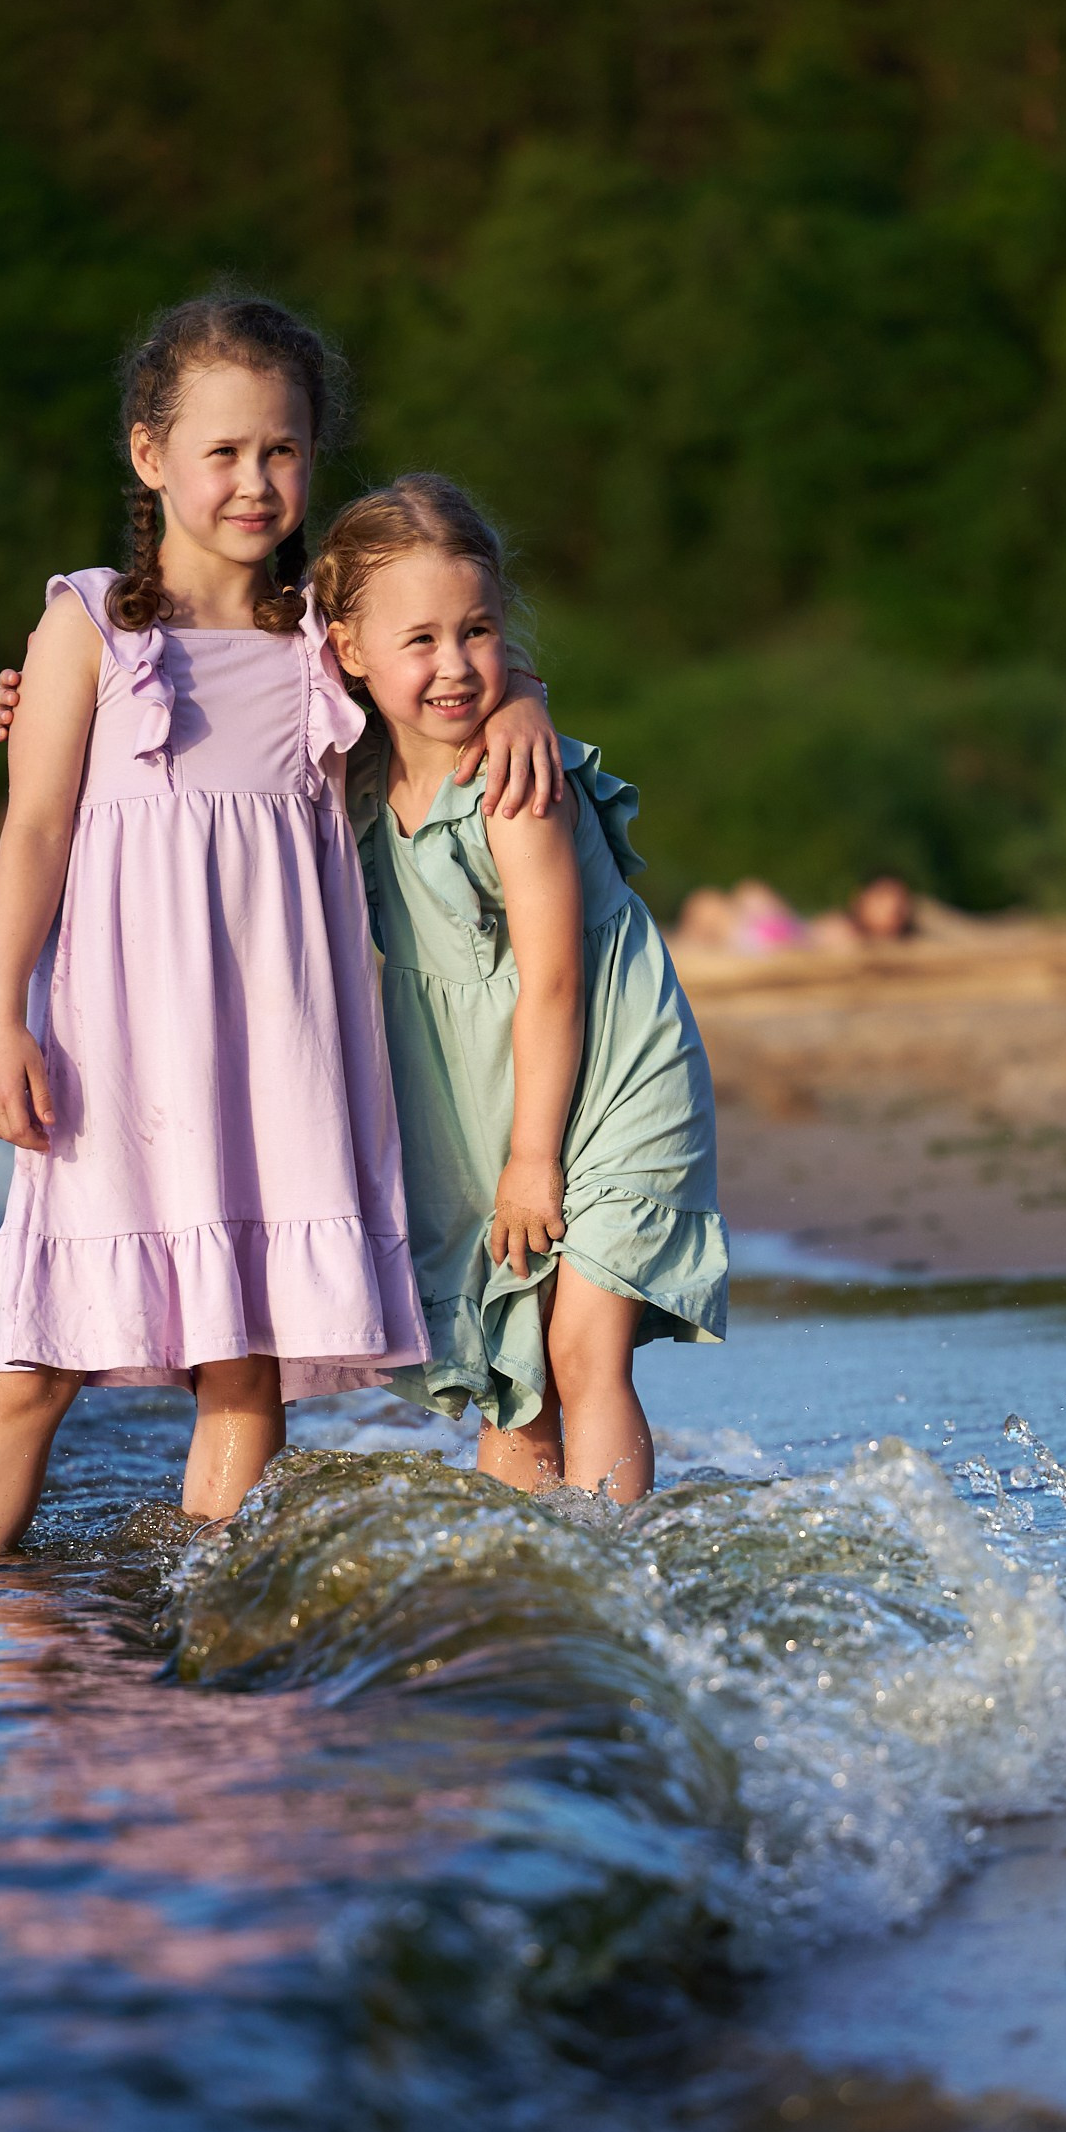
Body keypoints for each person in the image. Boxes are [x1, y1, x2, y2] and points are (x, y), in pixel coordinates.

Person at [0, 294, 559, 1556]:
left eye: (282, 450)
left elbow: (445, 653)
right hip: (115, 1056)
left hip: (277, 1057)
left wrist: (524, 697)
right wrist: (1, 1017)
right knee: (31, 1364)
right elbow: (35, 831)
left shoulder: (329, 641)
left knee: (245, 1368)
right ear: (149, 456)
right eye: (222, 452)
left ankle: (199, 1619)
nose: (255, 482)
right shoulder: (88, 626)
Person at [318, 475, 728, 1503]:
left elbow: (551, 978)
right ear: (348, 648)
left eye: (478, 632)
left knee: (586, 1352)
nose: (455, 666)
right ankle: (525, 1601)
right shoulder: (359, 778)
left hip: (605, 1068)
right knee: (513, 1382)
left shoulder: (510, 782)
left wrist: (533, 1160)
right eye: (419, 641)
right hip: (472, 1096)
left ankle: (617, 1584)